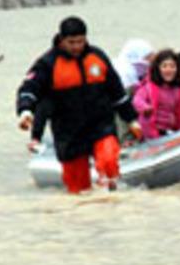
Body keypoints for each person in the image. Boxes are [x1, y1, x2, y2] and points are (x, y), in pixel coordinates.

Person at [16, 16, 141, 193]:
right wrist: (25, 111)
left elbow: (117, 92)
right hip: (68, 133)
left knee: (108, 161)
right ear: (61, 39)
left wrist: (132, 120)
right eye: (71, 42)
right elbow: (29, 88)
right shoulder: (47, 64)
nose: (76, 46)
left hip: (100, 125)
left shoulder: (97, 57)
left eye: (80, 41)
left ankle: (113, 201)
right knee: (79, 190)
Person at [133, 49, 180, 139]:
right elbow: (137, 100)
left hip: (166, 131)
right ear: (158, 69)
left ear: (177, 69)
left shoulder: (178, 89)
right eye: (164, 66)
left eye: (172, 66)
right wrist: (145, 108)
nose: (169, 70)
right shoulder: (149, 86)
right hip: (148, 131)